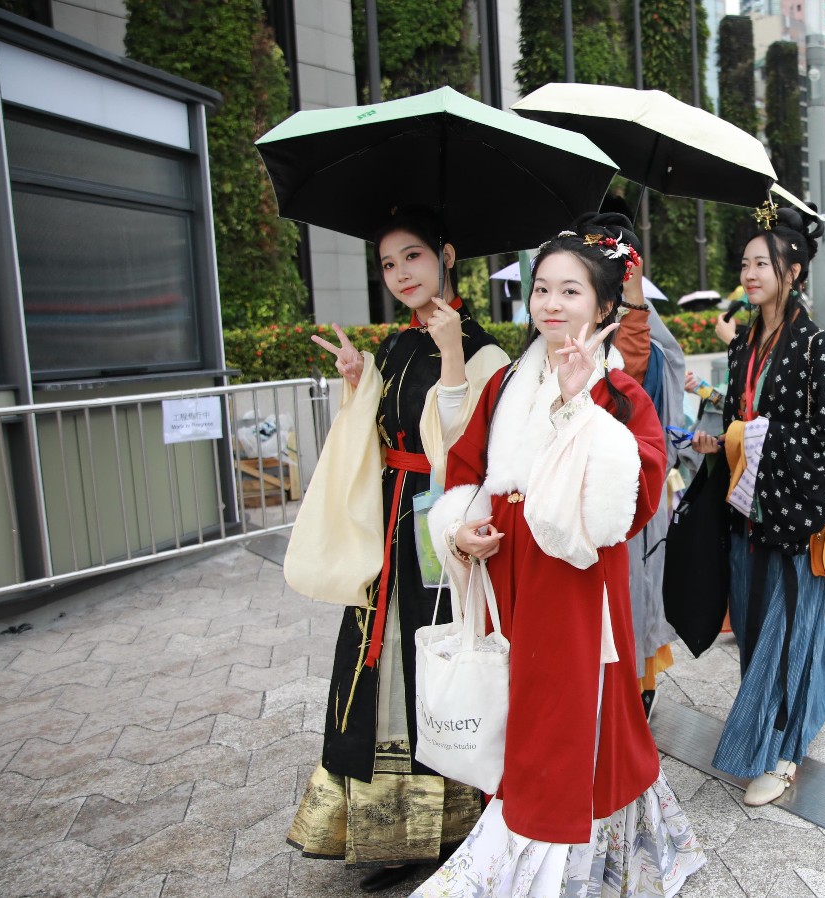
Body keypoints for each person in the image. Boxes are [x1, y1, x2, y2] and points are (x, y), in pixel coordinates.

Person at [417, 221, 705, 897]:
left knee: (568, 718)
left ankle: (567, 863)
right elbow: (466, 471)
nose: (551, 303)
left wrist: (580, 408)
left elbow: (632, 504)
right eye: (542, 288)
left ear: (604, 306)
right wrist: (459, 530)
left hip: (576, 586)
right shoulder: (506, 385)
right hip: (508, 575)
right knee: (521, 711)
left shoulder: (619, 394)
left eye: (570, 291)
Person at [285, 208, 508, 891]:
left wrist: (451, 354)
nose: (401, 273)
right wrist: (359, 380)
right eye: (388, 264)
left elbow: (464, 451)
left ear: (447, 255)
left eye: (412, 256)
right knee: (374, 659)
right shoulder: (395, 346)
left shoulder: (487, 352)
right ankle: (388, 827)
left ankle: (451, 823)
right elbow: (382, 429)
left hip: (441, 526)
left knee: (435, 656)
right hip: (389, 522)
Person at [689, 204, 825, 808]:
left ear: (794, 271)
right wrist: (718, 437)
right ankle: (774, 724)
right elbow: (734, 414)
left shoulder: (818, 348)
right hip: (746, 511)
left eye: (763, 263)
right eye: (745, 263)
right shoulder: (743, 346)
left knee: (786, 636)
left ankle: (783, 753)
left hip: (792, 515)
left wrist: (754, 435)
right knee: (757, 631)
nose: (750, 274)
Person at [587, 215, 684, 717]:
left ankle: (633, 689)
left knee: (631, 587)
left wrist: (633, 299)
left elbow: (642, 365)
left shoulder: (635, 314)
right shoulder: (567, 313)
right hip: (571, 490)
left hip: (627, 484)